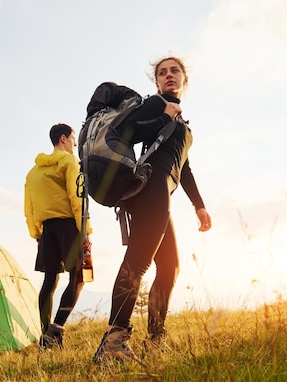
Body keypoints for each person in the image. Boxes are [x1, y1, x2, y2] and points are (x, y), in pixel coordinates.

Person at [92, 56, 212, 363]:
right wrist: (162, 113)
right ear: (156, 81)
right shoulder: (155, 105)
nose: (169, 75)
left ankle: (156, 337)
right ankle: (114, 341)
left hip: (162, 192)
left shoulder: (181, 121)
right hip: (149, 188)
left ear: (185, 79)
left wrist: (199, 206)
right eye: (162, 72)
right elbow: (127, 131)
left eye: (175, 71)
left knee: (169, 266)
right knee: (139, 261)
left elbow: (183, 167)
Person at [24, 123, 92, 349]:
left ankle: (45, 334)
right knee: (79, 278)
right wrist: (85, 231)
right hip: (69, 226)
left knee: (50, 280)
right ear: (63, 139)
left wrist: (37, 235)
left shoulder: (33, 173)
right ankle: (57, 330)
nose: (75, 143)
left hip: (46, 230)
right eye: (73, 139)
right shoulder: (70, 162)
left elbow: (29, 208)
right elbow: (77, 197)